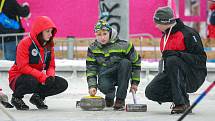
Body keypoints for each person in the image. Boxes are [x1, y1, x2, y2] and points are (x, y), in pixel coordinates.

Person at [145, 6, 207, 114]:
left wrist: (179, 54)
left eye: (157, 22)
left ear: (165, 22)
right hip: (173, 74)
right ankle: (182, 98)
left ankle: (181, 104)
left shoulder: (188, 33)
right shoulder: (165, 36)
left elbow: (201, 60)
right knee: (151, 91)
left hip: (194, 74)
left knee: (173, 60)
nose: (156, 26)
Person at [8, 16, 68, 110]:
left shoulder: (49, 46)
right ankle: (16, 97)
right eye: (47, 31)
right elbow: (23, 67)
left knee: (62, 83)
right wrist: (42, 77)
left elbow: (51, 66)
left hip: (37, 77)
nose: (50, 34)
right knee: (32, 81)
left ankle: (38, 97)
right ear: (39, 31)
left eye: (51, 31)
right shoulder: (25, 44)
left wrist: (50, 77)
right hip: (18, 77)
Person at [86, 20, 141, 110]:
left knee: (125, 63)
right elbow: (91, 69)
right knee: (104, 84)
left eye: (105, 34)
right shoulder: (93, 48)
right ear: (95, 35)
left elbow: (136, 62)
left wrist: (135, 83)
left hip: (122, 74)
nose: (102, 37)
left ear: (110, 32)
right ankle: (110, 95)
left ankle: (120, 99)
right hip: (105, 74)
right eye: (99, 35)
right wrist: (92, 86)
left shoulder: (125, 45)